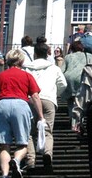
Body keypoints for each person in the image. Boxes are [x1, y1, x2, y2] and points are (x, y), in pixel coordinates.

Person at [0, 48, 44, 178]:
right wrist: (41, 116)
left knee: (4, 146)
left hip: (2, 105)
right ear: (22, 61)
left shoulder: (0, 76)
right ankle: (16, 161)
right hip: (20, 105)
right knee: (23, 144)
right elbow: (35, 97)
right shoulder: (26, 76)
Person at [23, 41, 67, 171]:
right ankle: (47, 153)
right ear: (47, 54)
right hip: (48, 100)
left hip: (31, 99)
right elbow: (63, 84)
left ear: (35, 54)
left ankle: (31, 160)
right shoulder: (54, 68)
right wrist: (54, 93)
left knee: (29, 132)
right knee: (48, 130)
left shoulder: (27, 67)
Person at [61, 40, 92, 119]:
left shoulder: (68, 57)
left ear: (72, 49)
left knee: (70, 101)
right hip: (82, 78)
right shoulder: (89, 56)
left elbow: (62, 70)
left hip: (69, 79)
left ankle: (72, 119)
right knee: (82, 101)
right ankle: (79, 121)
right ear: (82, 48)